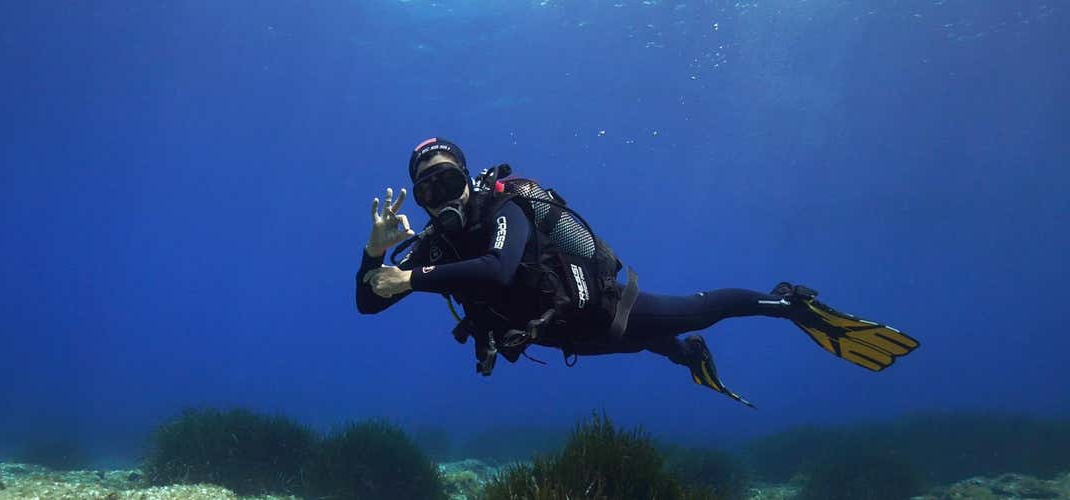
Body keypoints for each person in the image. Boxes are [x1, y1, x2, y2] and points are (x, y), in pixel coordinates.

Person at [356, 137, 918, 407]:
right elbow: (369, 302)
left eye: (449, 181)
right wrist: (375, 254)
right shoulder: (433, 247)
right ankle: (689, 356)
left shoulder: (505, 208)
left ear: (468, 180)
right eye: (428, 190)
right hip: (562, 336)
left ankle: (789, 303)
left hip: (604, 308)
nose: (441, 197)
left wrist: (412, 278)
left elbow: (500, 271)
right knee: (650, 344)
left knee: (700, 310)